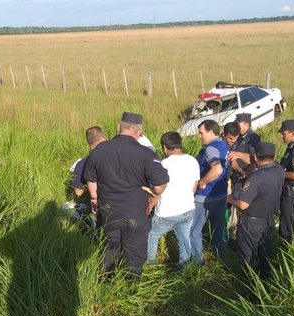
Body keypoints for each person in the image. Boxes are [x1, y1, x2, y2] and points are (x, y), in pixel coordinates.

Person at [83, 112, 169, 278]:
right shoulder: (146, 154)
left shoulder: (98, 151)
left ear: (118, 127)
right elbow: (159, 185)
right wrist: (153, 192)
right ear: (139, 131)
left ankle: (105, 281)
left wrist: (94, 198)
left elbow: (91, 179)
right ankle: (131, 286)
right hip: (135, 213)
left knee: (109, 247)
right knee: (134, 251)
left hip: (108, 212)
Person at [227, 142, 285, 279]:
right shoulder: (279, 170)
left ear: (255, 156)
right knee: (264, 255)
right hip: (268, 221)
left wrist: (229, 199)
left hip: (251, 224)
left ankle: (251, 290)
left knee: (248, 258)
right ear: (274, 155)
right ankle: (265, 285)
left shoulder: (256, 177)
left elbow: (242, 204)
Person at [147, 131, 200, 270]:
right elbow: (194, 186)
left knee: (151, 235)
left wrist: (149, 207)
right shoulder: (192, 160)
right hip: (188, 209)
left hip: (166, 212)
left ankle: (150, 266)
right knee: (184, 239)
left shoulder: (163, 164)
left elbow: (157, 191)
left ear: (164, 147)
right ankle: (183, 269)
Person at [190, 120, 229, 263]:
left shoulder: (210, 149)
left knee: (194, 231)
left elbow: (217, 169)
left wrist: (202, 182)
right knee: (218, 229)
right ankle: (221, 257)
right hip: (221, 194)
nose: (200, 136)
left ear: (211, 132)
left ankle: (196, 262)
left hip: (205, 196)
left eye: (201, 133)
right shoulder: (223, 145)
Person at [226, 114, 261, 242]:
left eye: (239, 123)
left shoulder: (253, 138)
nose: (237, 126)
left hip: (247, 176)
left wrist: (247, 173)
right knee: (234, 202)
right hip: (237, 175)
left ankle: (240, 234)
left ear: (246, 124)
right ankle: (234, 234)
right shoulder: (239, 137)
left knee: (242, 203)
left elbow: (255, 159)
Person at [67, 126, 106, 238]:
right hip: (126, 201)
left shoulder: (81, 164)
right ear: (104, 137)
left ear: (88, 142)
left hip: (99, 203)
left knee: (67, 208)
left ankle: (96, 242)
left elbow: (78, 192)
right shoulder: (118, 154)